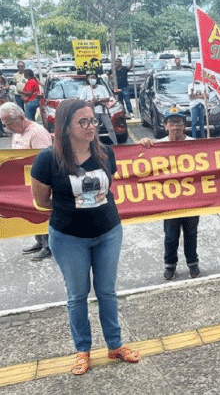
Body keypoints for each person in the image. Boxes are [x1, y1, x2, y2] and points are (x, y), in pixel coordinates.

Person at [29, 99, 141, 375]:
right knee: (78, 296)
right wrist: (73, 206)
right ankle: (82, 350)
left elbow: (107, 188)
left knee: (107, 292)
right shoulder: (48, 159)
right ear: (65, 126)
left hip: (108, 232)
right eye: (83, 121)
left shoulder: (105, 153)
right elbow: (42, 201)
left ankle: (115, 345)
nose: (91, 126)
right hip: (68, 237)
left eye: (93, 120)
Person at [139, 108, 201, 280]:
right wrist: (144, 143)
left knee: (191, 232)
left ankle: (192, 263)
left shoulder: (194, 144)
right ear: (165, 126)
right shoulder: (157, 145)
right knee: (171, 235)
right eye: (172, 122)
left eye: (179, 122)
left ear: (184, 125)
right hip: (169, 199)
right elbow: (142, 160)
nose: (176, 126)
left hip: (191, 198)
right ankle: (170, 265)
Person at [0, 102, 53, 260]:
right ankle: (39, 240)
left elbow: (45, 159)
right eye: (4, 124)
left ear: (21, 118)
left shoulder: (37, 133)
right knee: (31, 213)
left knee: (41, 211)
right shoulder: (17, 133)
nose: (7, 128)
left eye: (9, 123)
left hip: (38, 181)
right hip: (23, 182)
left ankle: (48, 245)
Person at [78, 74, 117, 144]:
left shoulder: (102, 88)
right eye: (90, 78)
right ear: (88, 79)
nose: (92, 79)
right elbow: (82, 101)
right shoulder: (85, 89)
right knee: (95, 131)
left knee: (110, 129)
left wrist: (98, 100)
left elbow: (107, 98)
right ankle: (97, 146)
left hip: (103, 111)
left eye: (93, 77)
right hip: (92, 113)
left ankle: (115, 144)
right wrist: (90, 102)